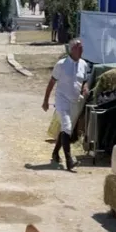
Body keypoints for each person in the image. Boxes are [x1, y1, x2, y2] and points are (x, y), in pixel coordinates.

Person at [42, 38, 89, 172]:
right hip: (62, 100)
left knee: (66, 130)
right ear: (72, 49)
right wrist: (45, 100)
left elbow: (84, 80)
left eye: (82, 48)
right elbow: (51, 83)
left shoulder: (84, 64)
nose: (82, 50)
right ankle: (69, 160)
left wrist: (85, 87)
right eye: (79, 48)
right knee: (67, 126)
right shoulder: (61, 64)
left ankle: (55, 152)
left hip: (75, 101)